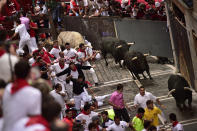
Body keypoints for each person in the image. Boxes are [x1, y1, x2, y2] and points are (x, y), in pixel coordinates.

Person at [2, 60, 41, 131]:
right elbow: (34, 118)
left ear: (15, 74)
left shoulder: (8, 88)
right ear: (29, 73)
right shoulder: (34, 93)